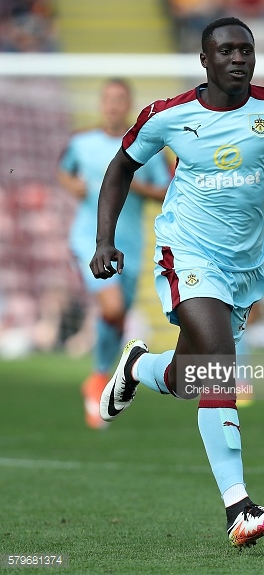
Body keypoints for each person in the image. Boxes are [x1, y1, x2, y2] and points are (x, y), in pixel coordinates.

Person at [90, 18, 264, 547]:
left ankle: (138, 367)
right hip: (187, 252)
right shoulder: (168, 116)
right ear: (205, 60)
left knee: (191, 377)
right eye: (226, 51)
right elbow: (119, 170)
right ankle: (239, 509)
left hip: (244, 266)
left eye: (246, 50)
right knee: (220, 364)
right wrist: (104, 240)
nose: (238, 59)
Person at [58, 78, 170, 429]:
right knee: (114, 309)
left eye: (119, 99)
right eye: (107, 99)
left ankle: (98, 378)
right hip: (87, 240)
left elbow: (167, 189)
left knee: (114, 316)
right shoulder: (81, 142)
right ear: (101, 103)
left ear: (129, 104)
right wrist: (72, 184)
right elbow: (64, 171)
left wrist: (131, 183)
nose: (112, 105)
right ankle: (114, 372)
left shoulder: (144, 146)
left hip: (130, 247)